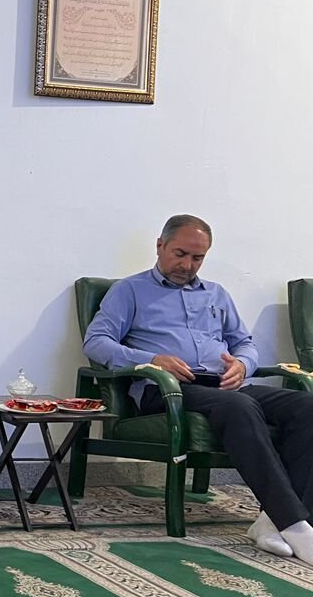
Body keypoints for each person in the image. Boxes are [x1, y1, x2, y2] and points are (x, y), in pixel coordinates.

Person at [83, 214, 313, 565]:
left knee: (307, 406)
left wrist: (242, 365)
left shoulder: (216, 294)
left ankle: (271, 520)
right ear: (160, 246)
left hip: (224, 385)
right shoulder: (129, 291)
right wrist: (153, 360)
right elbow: (96, 341)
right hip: (168, 390)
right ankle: (295, 526)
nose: (187, 265)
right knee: (239, 407)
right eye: (180, 254)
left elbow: (245, 343)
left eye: (197, 258)